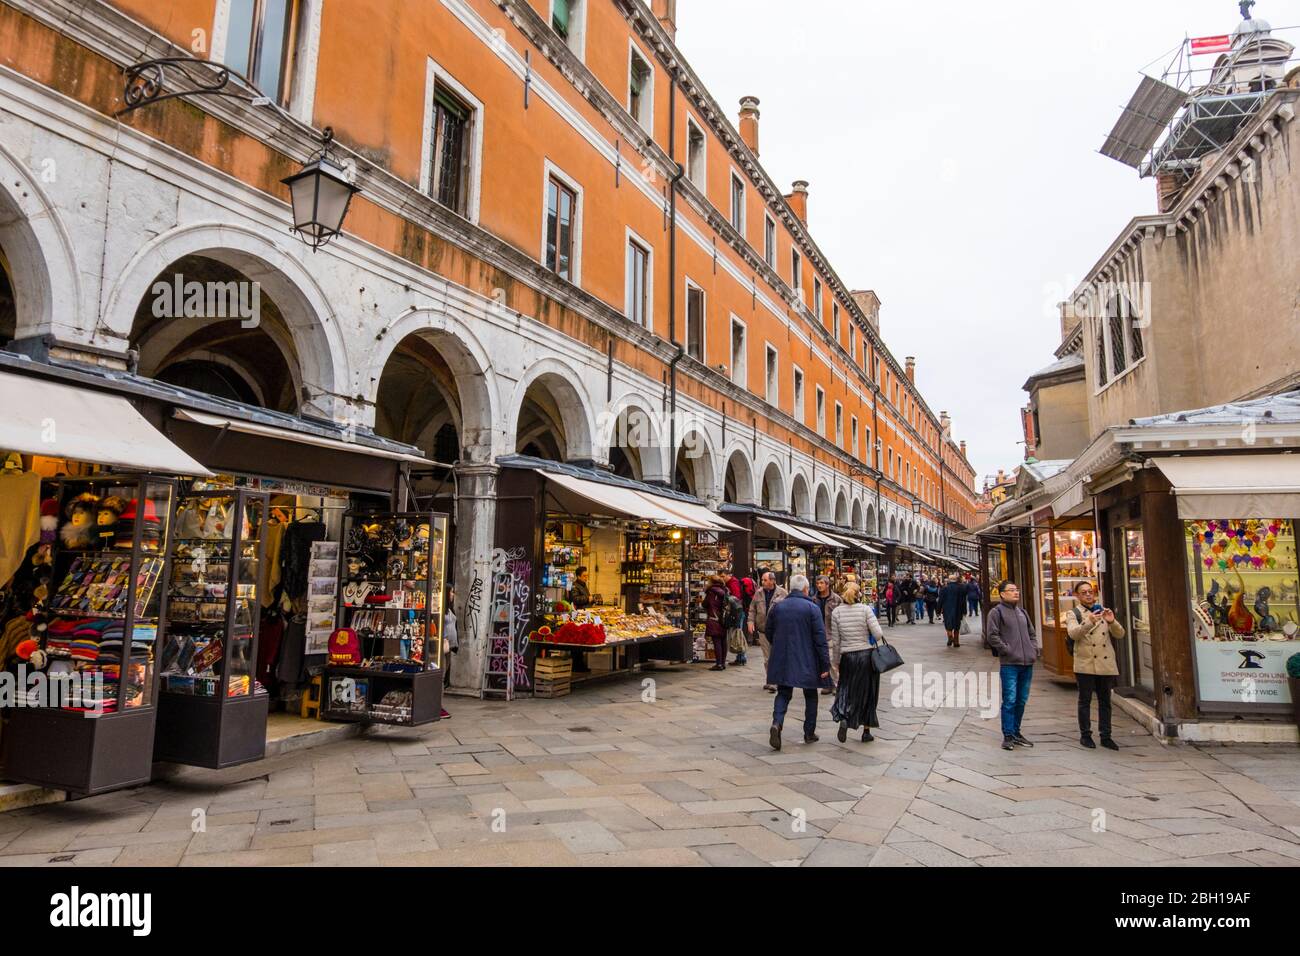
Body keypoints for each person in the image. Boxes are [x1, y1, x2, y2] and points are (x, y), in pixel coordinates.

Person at [765, 574, 831, 750]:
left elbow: (768, 631)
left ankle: (777, 723)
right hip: (808, 658)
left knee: (783, 693)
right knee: (810, 695)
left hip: (783, 657)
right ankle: (809, 732)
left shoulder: (778, 607)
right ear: (805, 589)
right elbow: (820, 638)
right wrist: (825, 664)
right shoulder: (812, 608)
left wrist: (779, 645)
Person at [1068, 581, 1124, 750]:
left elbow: (1120, 634)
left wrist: (1112, 621)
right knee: (1084, 701)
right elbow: (1073, 634)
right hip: (1085, 663)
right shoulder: (1074, 613)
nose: (1088, 595)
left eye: (1090, 591)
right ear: (1077, 596)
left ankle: (1106, 735)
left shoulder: (1104, 611)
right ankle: (1086, 735)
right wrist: (1089, 622)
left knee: (1105, 701)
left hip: (1105, 663)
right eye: (1083, 592)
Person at [985, 580, 1040, 751]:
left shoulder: (1022, 612)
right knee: (1010, 700)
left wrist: (1034, 649)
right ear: (1002, 594)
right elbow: (992, 636)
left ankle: (1016, 732)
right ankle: (1008, 735)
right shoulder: (996, 613)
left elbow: (1031, 633)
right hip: (1010, 663)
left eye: (1017, 590)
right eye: (1011, 590)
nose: (1016, 593)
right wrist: (1006, 650)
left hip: (1027, 662)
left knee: (1021, 700)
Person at [829, 583, 885, 743]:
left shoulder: (837, 612)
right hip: (866, 657)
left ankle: (845, 717)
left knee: (846, 690)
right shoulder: (865, 610)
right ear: (858, 594)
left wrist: (836, 661)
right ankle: (866, 731)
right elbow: (878, 634)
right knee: (868, 693)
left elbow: (836, 641)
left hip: (848, 657)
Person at [749, 571, 787, 693]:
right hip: (763, 629)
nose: (762, 582)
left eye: (765, 580)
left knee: (777, 655)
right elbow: (752, 609)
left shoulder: (783, 593)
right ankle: (771, 680)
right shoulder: (758, 593)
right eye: (762, 580)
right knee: (767, 658)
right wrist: (750, 622)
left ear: (772, 581)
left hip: (778, 630)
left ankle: (778, 679)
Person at [812, 575, 843, 694]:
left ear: (827, 584)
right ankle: (826, 684)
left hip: (831, 634)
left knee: (832, 661)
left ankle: (835, 684)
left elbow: (841, 617)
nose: (819, 585)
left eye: (821, 583)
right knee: (821, 661)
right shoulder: (813, 599)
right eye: (817, 583)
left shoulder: (836, 599)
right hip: (817, 635)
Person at [703, 574, 731, 671]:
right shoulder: (725, 590)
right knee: (723, 641)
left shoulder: (711, 592)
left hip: (714, 618)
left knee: (717, 641)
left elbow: (706, 604)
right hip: (724, 618)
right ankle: (722, 663)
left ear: (711, 582)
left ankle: (718, 664)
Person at [441, 587, 457, 720]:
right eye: (451, 591)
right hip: (442, 646)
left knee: (444, 675)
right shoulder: (441, 608)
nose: (453, 594)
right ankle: (437, 706)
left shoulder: (449, 608)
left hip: (449, 647)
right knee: (440, 676)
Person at [938, 573, 966, 647]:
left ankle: (950, 637)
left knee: (948, 624)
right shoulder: (961, 588)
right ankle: (956, 641)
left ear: (949, 580)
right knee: (957, 625)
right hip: (958, 609)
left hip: (947, 609)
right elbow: (964, 600)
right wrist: (964, 610)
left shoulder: (944, 589)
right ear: (956, 580)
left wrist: (938, 610)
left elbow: (940, 600)